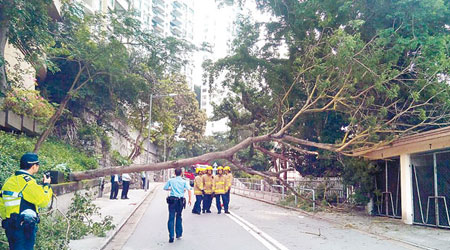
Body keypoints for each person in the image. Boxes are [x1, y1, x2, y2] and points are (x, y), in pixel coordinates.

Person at [0, 153, 53, 250]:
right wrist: (46, 185)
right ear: (33, 166)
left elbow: (2, 203)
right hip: (24, 227)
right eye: (38, 165)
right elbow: (43, 201)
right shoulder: (27, 182)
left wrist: (7, 219)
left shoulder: (9, 180)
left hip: (10, 226)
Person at [163, 168, 192, 243]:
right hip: (180, 201)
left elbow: (165, 188)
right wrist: (189, 199)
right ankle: (178, 233)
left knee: (171, 217)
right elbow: (189, 190)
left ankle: (171, 235)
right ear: (181, 173)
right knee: (179, 216)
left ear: (174, 173)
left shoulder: (171, 180)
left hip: (172, 201)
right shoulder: (184, 181)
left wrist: (171, 189)